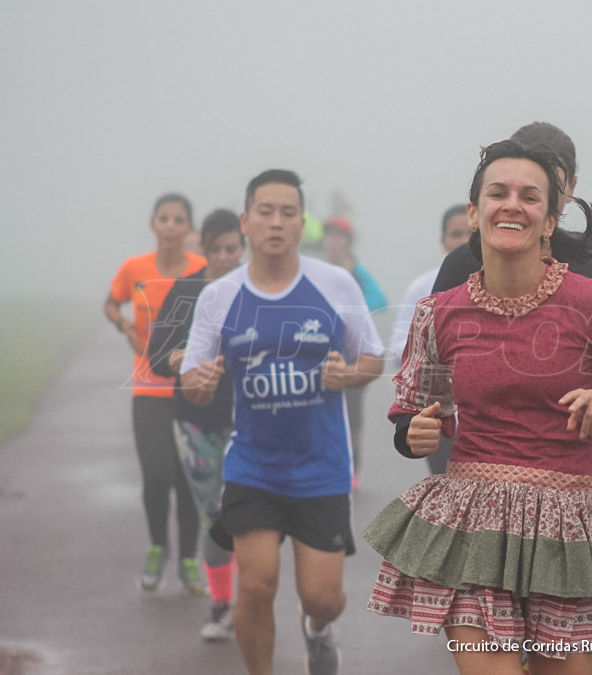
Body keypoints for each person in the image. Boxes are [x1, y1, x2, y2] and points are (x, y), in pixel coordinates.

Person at [364, 140, 592, 675]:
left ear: (550, 219)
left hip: (569, 524)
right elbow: (413, 406)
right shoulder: (437, 313)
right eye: (497, 193)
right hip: (473, 521)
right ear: (473, 212)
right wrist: (411, 431)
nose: (512, 204)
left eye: (530, 197)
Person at [180, 170, 384, 675]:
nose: (276, 222)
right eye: (265, 213)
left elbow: (373, 358)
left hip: (322, 467)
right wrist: (199, 382)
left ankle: (317, 631)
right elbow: (190, 372)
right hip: (253, 465)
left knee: (322, 597)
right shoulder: (219, 296)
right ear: (247, 222)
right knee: (255, 584)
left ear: (301, 223)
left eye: (288, 213)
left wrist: (347, 374)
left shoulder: (334, 283)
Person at [433, 121, 592, 489]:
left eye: (541, 187)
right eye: (504, 189)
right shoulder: (461, 265)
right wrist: (424, 438)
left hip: (582, 450)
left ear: (570, 187)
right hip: (480, 457)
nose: (516, 204)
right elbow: (430, 379)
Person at [148, 209, 246, 641]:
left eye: (232, 248)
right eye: (217, 249)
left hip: (248, 424)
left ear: (242, 248)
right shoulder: (186, 291)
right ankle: (222, 602)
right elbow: (157, 353)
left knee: (245, 513)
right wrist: (182, 361)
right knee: (217, 518)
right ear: (202, 250)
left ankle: (246, 600)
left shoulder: (257, 291)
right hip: (195, 423)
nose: (224, 256)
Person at [103, 193, 206, 593]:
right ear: (152, 224)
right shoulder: (134, 268)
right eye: (163, 218)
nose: (170, 226)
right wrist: (124, 325)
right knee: (156, 475)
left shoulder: (202, 271)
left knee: (187, 480)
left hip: (190, 388)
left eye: (178, 219)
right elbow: (111, 304)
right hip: (147, 386)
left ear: (188, 228)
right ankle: (157, 547)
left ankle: (189, 560)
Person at [387, 204, 472, 475]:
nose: (463, 242)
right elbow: (399, 347)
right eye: (455, 234)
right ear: (442, 241)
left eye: (470, 233)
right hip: (440, 421)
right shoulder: (422, 288)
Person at [321, 215, 387, 486]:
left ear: (347, 241)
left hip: (355, 354)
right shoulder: (318, 270)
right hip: (322, 353)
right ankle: (327, 462)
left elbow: (379, 298)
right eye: (329, 235)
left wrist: (351, 312)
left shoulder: (358, 273)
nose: (333, 241)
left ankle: (353, 465)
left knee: (353, 414)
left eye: (338, 236)